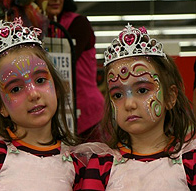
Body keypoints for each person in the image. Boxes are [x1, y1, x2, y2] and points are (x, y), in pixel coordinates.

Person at [0, 17, 85, 190]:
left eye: (40, 80)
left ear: (55, 84)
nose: (33, 94)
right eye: (16, 89)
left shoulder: (76, 161)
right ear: (0, 105)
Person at [80, 24, 196, 190]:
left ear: (170, 97)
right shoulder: (101, 165)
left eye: (142, 90)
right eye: (118, 95)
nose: (129, 104)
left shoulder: (190, 160)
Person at [19, 0, 105, 142]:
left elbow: (54, 66)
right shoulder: (27, 27)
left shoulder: (79, 24)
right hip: (52, 115)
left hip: (87, 116)